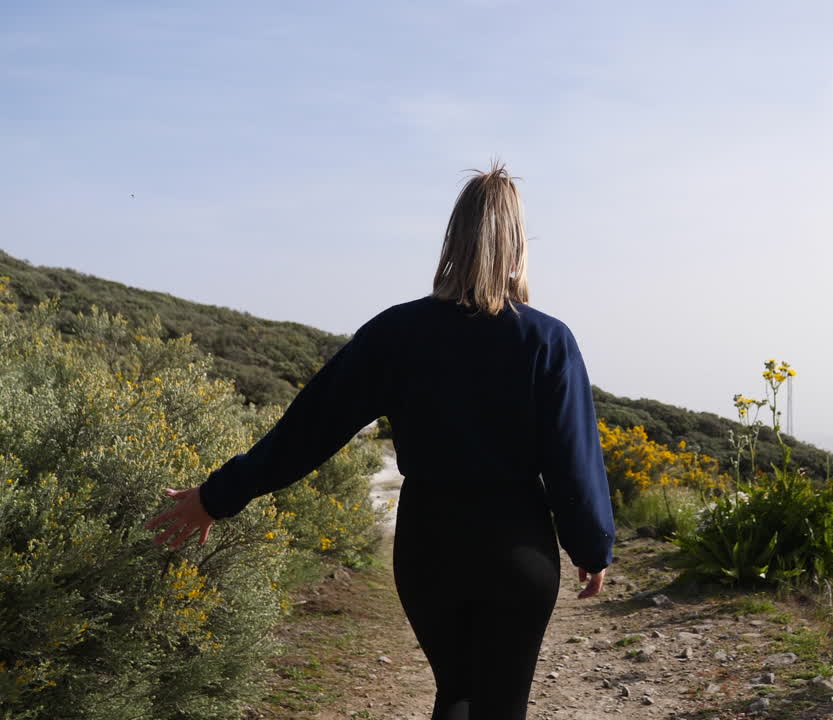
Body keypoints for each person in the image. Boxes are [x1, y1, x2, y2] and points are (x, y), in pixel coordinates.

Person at [145, 163, 616, 720]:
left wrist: (215, 497)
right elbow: (572, 463)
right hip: (515, 548)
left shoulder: (395, 333)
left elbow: (307, 432)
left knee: (456, 692)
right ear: (518, 247)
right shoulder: (548, 341)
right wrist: (592, 547)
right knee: (499, 703)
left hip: (429, 546)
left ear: (452, 241)